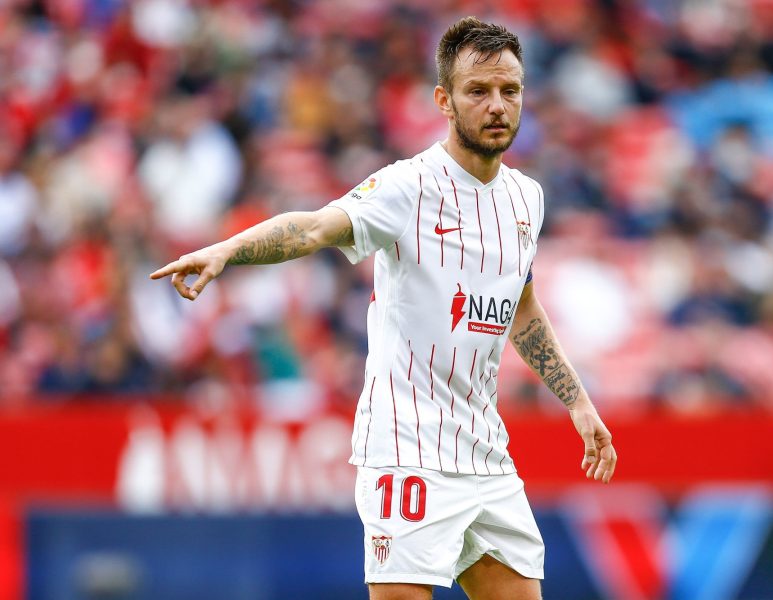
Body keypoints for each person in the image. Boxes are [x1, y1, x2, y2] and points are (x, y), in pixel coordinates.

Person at [151, 17, 617, 600]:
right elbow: (315, 227)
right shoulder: (408, 187)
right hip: (407, 452)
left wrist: (577, 402)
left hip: (486, 452)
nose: (497, 105)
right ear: (444, 101)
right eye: (478, 91)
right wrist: (229, 250)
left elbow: (520, 307)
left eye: (510, 90)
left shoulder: (527, 198)